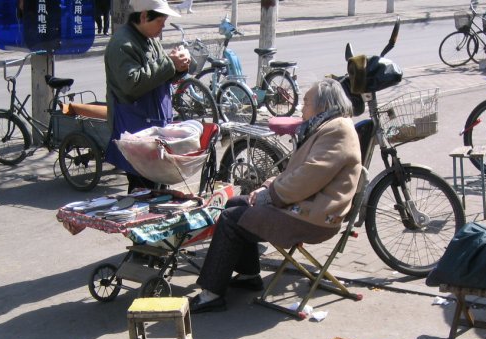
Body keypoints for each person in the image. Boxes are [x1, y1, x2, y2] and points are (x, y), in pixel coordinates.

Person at [189, 78, 363, 313]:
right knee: (234, 203)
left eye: (307, 102)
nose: (302, 107)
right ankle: (249, 274)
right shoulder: (327, 127)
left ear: (323, 105)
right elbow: (297, 172)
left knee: (232, 219)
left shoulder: (337, 129)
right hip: (307, 206)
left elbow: (307, 177)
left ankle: (211, 294)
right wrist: (267, 187)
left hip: (314, 218)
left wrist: (269, 194)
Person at [104, 0, 190, 193]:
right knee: (142, 190)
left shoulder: (150, 40)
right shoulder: (122, 44)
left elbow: (160, 75)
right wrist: (170, 63)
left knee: (159, 188)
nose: (163, 26)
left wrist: (179, 67)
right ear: (143, 16)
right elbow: (131, 84)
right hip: (135, 129)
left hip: (153, 126)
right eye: (160, 21)